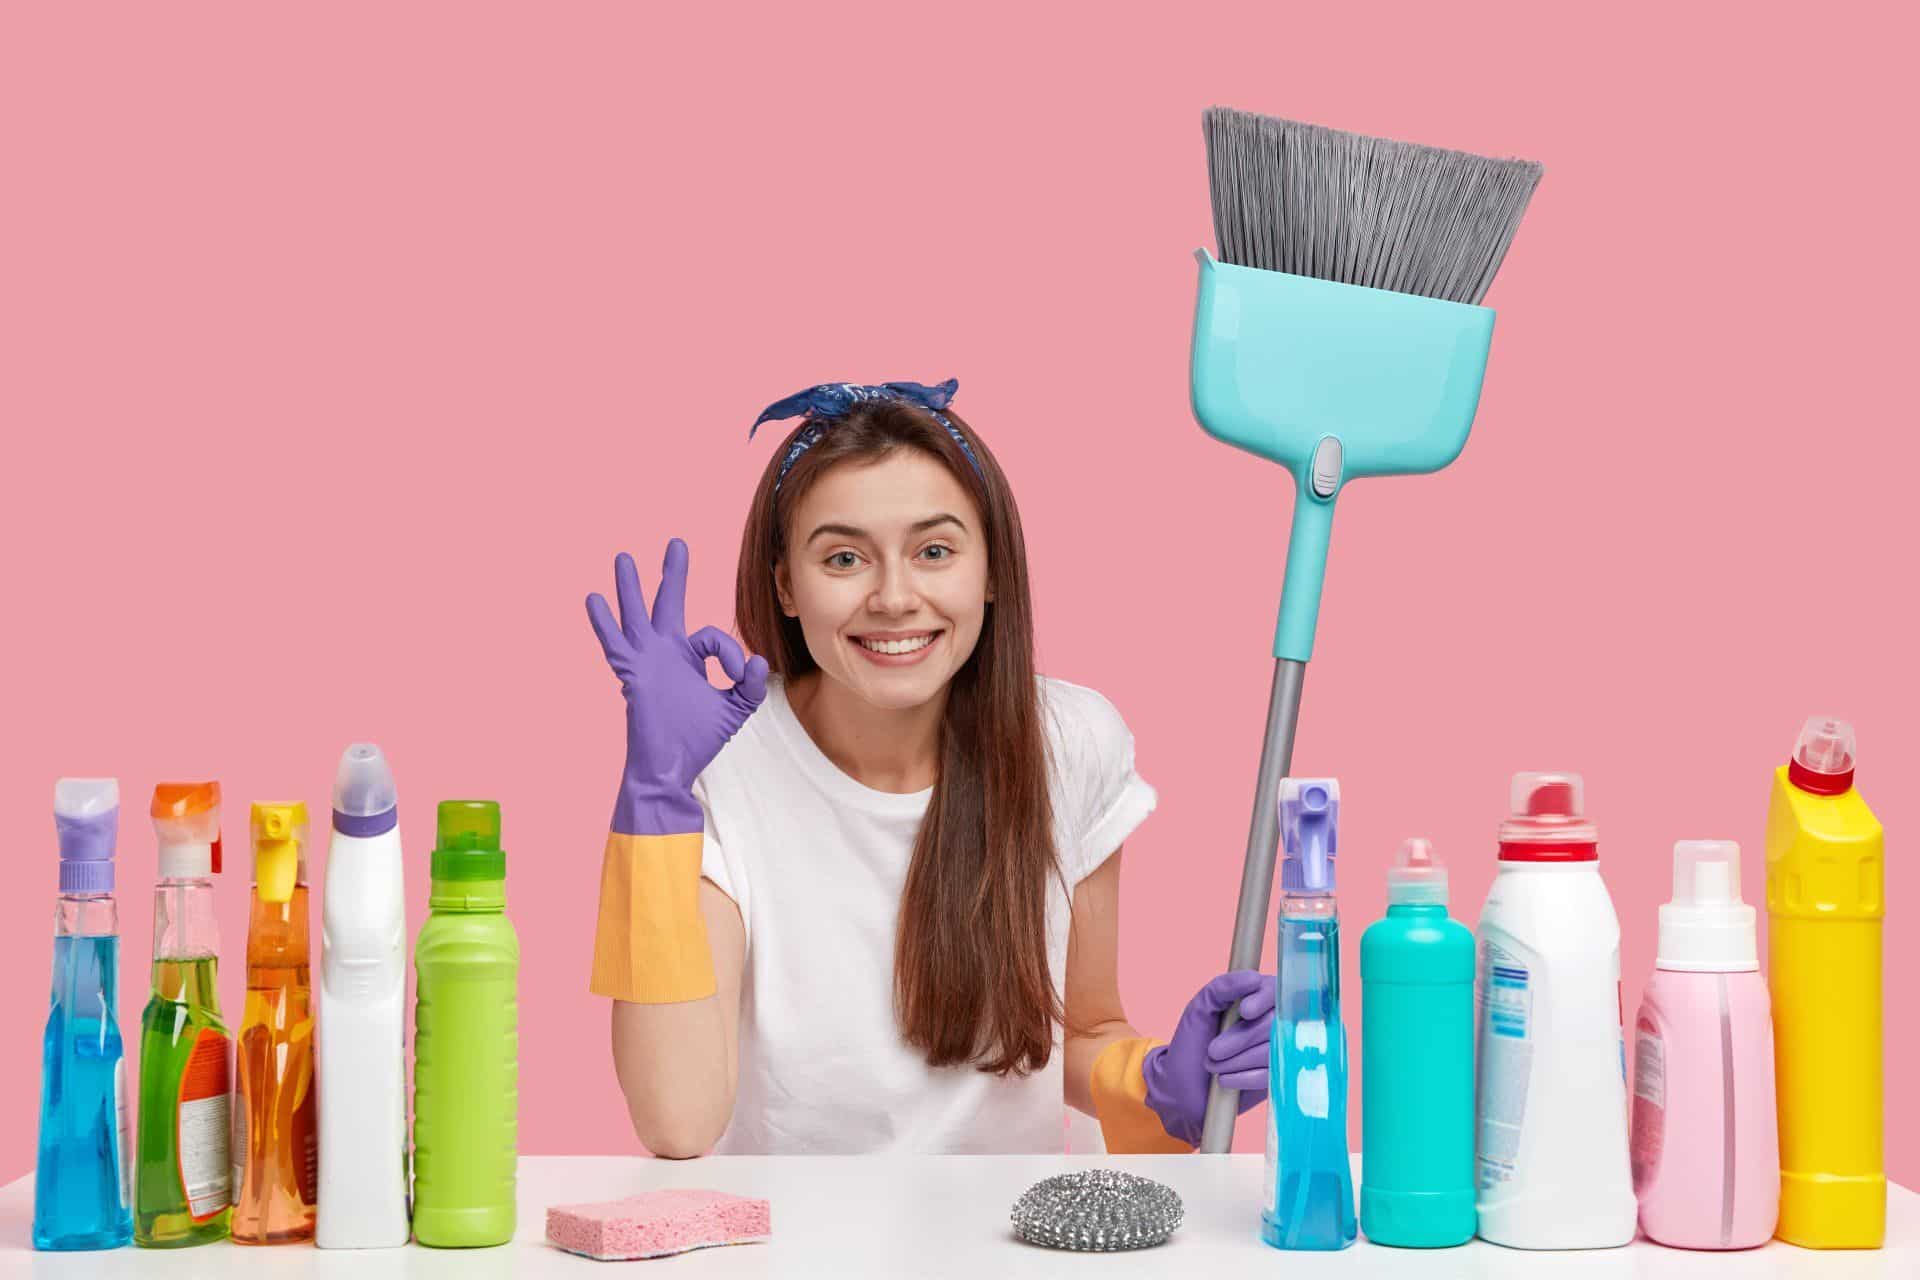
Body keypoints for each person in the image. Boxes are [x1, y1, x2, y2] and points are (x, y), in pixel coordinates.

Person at [586, 378, 1274, 1156]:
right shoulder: (723, 766)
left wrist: (1156, 1084)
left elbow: (1084, 1030)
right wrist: (656, 797)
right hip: (801, 1228)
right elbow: (677, 1121)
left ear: (991, 571)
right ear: (786, 586)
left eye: (934, 552)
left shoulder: (1071, 743)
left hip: (1015, 1223)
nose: (894, 597)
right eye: (844, 558)